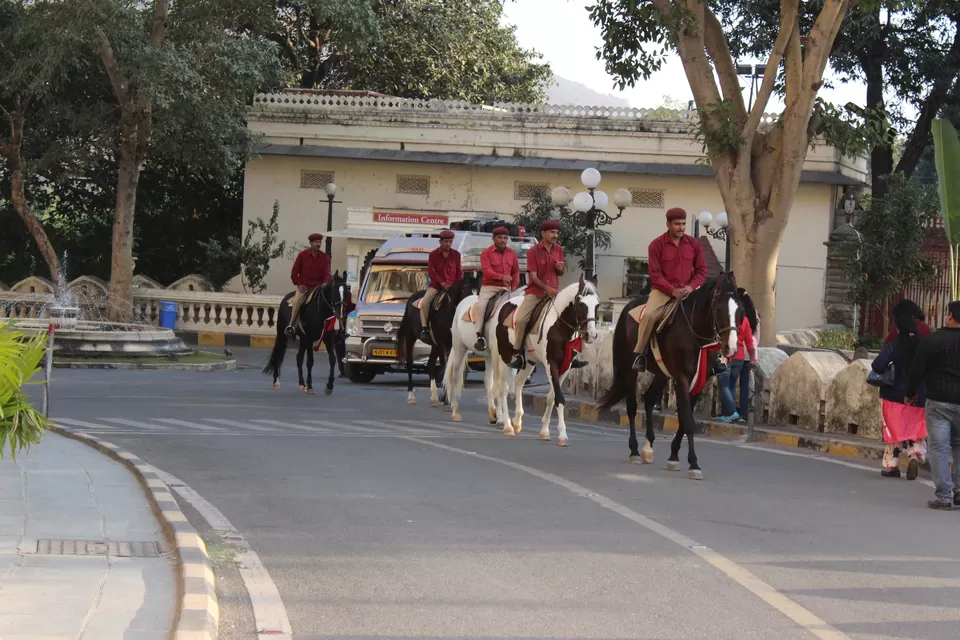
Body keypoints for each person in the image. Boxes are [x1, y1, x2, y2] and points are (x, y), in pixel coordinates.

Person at [632, 207, 707, 371]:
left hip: (688, 291)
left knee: (709, 313)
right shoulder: (656, 245)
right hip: (663, 291)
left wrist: (691, 286)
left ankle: (715, 361)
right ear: (668, 224)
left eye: (683, 224)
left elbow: (702, 270)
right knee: (650, 315)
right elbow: (655, 274)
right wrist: (672, 290)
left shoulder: (693, 244)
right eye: (677, 224)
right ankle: (640, 354)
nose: (681, 228)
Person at [905, 300, 960, 510]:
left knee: (938, 447)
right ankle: (959, 489)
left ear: (950, 317)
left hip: (938, 401)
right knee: (959, 445)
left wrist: (910, 393)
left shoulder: (933, 340)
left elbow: (917, 368)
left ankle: (944, 496)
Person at [872, 314, 927, 479]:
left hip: (894, 395)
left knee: (894, 430)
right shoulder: (924, 348)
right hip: (919, 397)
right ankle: (913, 456)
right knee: (914, 430)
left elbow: (878, 366)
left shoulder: (892, 346)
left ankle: (893, 465)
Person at [509, 219, 565, 370]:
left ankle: (571, 353)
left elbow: (560, 272)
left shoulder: (558, 249)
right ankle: (518, 352)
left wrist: (561, 268)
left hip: (554, 293)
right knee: (521, 320)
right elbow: (533, 277)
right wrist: (547, 288)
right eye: (552, 232)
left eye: (557, 233)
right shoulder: (533, 251)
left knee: (571, 316)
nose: (555, 235)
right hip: (536, 293)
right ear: (543, 233)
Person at [475, 227, 519, 351]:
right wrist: (502, 277)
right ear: (493, 238)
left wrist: (515, 286)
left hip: (507, 288)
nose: (502, 240)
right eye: (499, 237)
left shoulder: (512, 253)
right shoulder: (486, 253)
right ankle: (479, 335)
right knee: (481, 306)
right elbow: (487, 271)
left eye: (505, 238)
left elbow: (515, 271)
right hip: (490, 287)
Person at [419, 229, 462, 343]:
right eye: (446, 241)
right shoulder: (433, 255)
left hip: (452, 287)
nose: (448, 244)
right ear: (440, 242)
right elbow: (432, 272)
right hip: (436, 287)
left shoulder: (456, 255)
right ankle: (425, 329)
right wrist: (443, 284)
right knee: (424, 303)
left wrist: (455, 286)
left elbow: (459, 272)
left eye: (450, 242)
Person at [286, 233, 331, 336]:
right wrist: (298, 284)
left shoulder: (324, 257)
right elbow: (294, 272)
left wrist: (325, 283)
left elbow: (327, 273)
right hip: (304, 288)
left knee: (332, 303)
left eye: (320, 242)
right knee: (297, 301)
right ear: (310, 243)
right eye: (316, 242)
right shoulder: (302, 255)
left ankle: (335, 330)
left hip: (318, 288)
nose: (318, 244)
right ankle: (291, 325)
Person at [715, 312, 757, 423]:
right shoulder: (745, 319)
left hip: (726, 354)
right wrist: (752, 358)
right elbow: (749, 342)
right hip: (740, 357)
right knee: (731, 385)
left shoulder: (727, 317)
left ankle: (732, 413)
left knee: (723, 385)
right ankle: (726, 415)